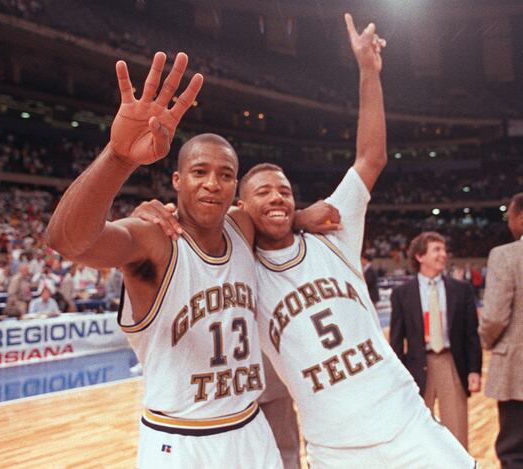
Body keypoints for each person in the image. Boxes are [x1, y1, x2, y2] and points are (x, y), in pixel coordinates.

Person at [140, 14, 476, 468]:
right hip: (334, 450)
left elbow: (371, 157)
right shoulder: (240, 267)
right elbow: (204, 224)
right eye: (262, 192)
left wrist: (368, 72)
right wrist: (155, 210)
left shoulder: (336, 231)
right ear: (240, 206)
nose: (277, 196)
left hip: (407, 424)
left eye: (285, 190)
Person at [46, 51, 287, 468]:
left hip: (251, 428)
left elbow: (279, 214)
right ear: (177, 180)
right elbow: (68, 242)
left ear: (236, 187)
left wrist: (305, 213)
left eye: (226, 174)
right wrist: (119, 158)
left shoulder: (244, 226)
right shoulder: (153, 238)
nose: (213, 183)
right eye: (199, 172)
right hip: (181, 440)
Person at [390, 231, 482, 448]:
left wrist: (474, 370)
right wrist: (399, 378)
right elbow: (396, 341)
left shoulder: (462, 290)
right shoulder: (402, 294)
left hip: (451, 363)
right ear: (420, 257)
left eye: (444, 250)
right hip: (417, 366)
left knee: (457, 433)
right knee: (418, 435)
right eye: (436, 250)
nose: (443, 255)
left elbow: (471, 335)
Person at [478, 192, 523, 468]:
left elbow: (494, 316)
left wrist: (486, 340)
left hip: (516, 368)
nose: (507, 222)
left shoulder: (506, 255)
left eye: (509, 215)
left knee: (514, 451)